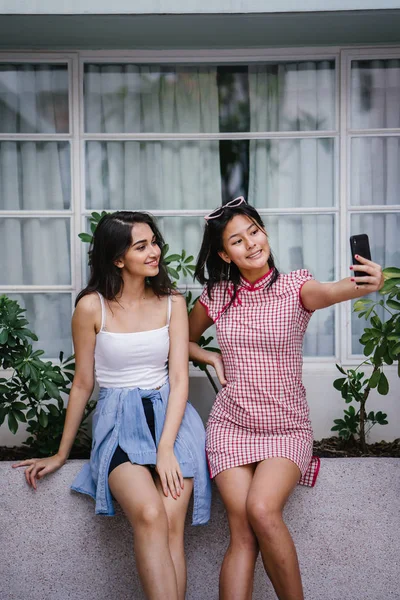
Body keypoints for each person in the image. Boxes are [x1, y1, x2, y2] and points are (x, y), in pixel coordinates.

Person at [188, 197, 384, 600]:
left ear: (265, 233)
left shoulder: (296, 287)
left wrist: (367, 282)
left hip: (285, 427)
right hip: (231, 426)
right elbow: (182, 340)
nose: (251, 244)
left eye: (255, 232)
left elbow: (332, 291)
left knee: (262, 509)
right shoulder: (218, 295)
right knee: (242, 531)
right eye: (238, 241)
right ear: (225, 253)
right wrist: (208, 354)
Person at [13, 211, 211, 600]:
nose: (154, 251)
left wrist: (167, 447)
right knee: (150, 514)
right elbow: (84, 382)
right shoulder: (91, 307)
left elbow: (178, 378)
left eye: (154, 242)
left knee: (171, 520)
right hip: (119, 420)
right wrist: (61, 453)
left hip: (172, 418)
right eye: (142, 246)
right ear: (118, 258)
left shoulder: (172, 302)